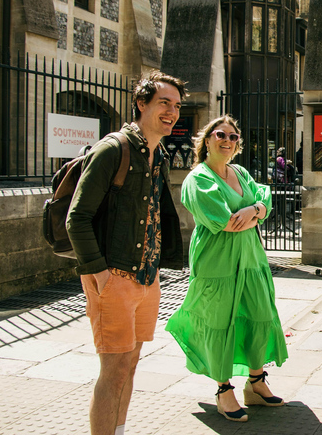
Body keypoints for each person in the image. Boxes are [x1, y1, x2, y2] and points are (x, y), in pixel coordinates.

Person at [67, 71, 186, 435]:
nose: (172, 112)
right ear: (141, 103)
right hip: (114, 276)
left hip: (147, 277)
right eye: (163, 103)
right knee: (113, 370)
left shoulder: (157, 154)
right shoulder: (112, 148)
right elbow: (78, 218)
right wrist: (100, 274)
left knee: (130, 367)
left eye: (177, 106)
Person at [166, 115, 287, 422]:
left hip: (251, 260)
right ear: (206, 140)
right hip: (217, 262)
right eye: (221, 134)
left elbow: (265, 200)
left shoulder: (240, 172)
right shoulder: (198, 179)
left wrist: (254, 209)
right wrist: (257, 211)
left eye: (233, 137)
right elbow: (225, 222)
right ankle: (223, 389)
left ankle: (256, 382)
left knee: (259, 315)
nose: (227, 140)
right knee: (220, 322)